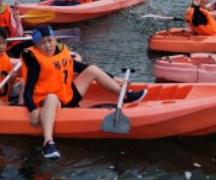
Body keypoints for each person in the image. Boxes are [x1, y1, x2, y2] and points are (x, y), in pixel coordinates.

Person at [23, 25, 147, 159]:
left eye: (50, 40)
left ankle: (127, 95)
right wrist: (32, 110)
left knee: (92, 69)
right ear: (36, 46)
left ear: (54, 39)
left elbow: (81, 67)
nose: (47, 46)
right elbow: (27, 91)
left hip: (68, 95)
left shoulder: (61, 51)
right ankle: (48, 143)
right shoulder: (35, 61)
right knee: (52, 97)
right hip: (52, 103)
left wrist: (112, 77)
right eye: (42, 43)